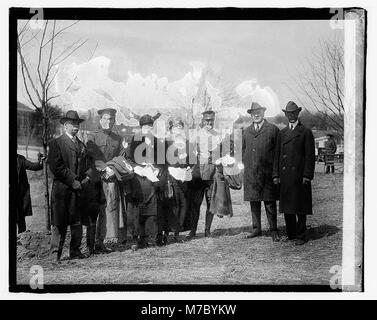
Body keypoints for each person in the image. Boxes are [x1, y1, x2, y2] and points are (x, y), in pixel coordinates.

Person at [48, 110, 91, 261]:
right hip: (62, 190)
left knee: (76, 222)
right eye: (73, 124)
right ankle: (55, 254)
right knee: (59, 223)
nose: (76, 127)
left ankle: (75, 251)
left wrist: (86, 179)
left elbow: (87, 165)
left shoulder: (81, 145)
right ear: (65, 125)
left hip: (78, 190)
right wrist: (73, 180)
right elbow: (56, 167)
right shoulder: (56, 143)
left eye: (78, 124)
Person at [273, 101, 315, 245]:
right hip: (285, 177)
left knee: (300, 207)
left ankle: (301, 235)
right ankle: (291, 235)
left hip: (299, 176)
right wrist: (275, 175)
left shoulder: (305, 132)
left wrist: (307, 175)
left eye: (294, 113)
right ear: (285, 115)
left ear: (298, 113)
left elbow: (310, 156)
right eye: (288, 113)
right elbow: (277, 156)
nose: (291, 116)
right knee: (288, 207)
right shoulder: (282, 133)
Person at [86, 108, 125, 253]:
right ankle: (89, 244)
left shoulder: (117, 138)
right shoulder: (92, 136)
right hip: (96, 179)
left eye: (111, 119)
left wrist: (113, 170)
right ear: (100, 120)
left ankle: (100, 241)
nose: (108, 122)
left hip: (111, 179)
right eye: (105, 119)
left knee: (108, 209)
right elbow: (92, 156)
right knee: (94, 211)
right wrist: (103, 168)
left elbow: (121, 157)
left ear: (114, 121)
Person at [242, 102, 280, 242]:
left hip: (268, 173)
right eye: (253, 113)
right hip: (251, 174)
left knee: (269, 202)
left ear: (263, 113)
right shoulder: (246, 131)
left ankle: (273, 230)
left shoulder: (273, 130)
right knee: (254, 201)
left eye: (258, 112)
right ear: (251, 115)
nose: (256, 115)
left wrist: (276, 173)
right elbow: (243, 151)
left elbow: (277, 154)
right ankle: (256, 228)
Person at [185, 110, 224, 240]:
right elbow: (190, 153)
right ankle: (193, 230)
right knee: (195, 203)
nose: (209, 123)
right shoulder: (197, 134)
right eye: (207, 120)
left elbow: (222, 153)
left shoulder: (218, 135)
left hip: (212, 173)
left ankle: (207, 229)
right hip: (198, 173)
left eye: (211, 120)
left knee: (210, 201)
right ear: (203, 121)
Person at [126, 114, 159, 250]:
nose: (148, 129)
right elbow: (128, 159)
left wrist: (156, 168)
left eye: (151, 126)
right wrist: (137, 167)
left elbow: (162, 160)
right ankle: (134, 238)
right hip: (137, 179)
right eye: (146, 126)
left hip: (151, 179)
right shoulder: (134, 140)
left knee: (150, 209)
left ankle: (146, 237)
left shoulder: (157, 141)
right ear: (141, 127)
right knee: (136, 209)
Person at [16, 152, 44, 233]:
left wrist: (40, 161)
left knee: (20, 218)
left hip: (19, 195)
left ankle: (21, 239)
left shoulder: (20, 159)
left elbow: (33, 166)